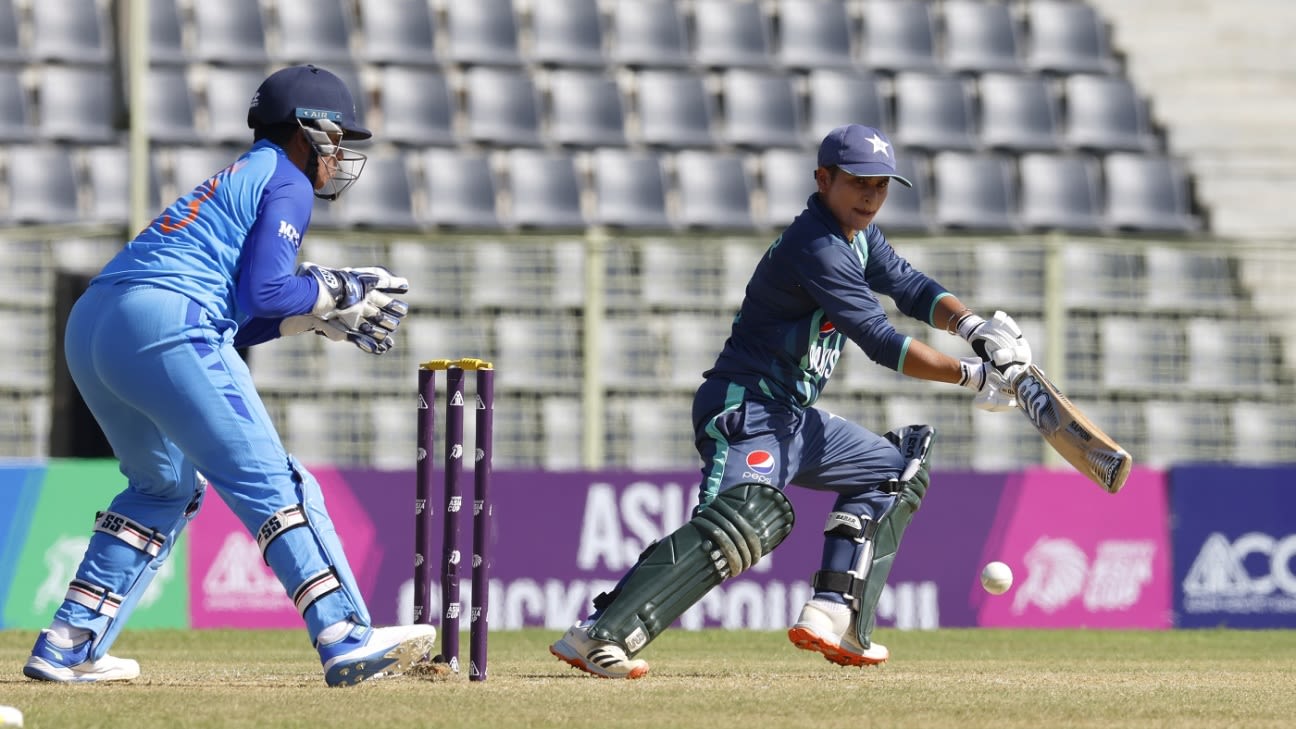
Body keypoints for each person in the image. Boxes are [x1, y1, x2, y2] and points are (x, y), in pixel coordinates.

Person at [550, 124, 1033, 678]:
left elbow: (911, 286)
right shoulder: (818, 246)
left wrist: (973, 327)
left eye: (880, 185)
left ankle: (834, 613)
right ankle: (598, 634)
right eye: (858, 183)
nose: (871, 196)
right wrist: (973, 375)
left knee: (892, 471)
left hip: (793, 419)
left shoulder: (859, 237)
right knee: (744, 519)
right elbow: (880, 341)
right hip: (747, 409)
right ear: (823, 180)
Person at [21, 64, 433, 687]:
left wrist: (308, 317)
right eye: (338, 138)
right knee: (279, 483)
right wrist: (334, 288)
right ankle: (343, 634)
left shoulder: (242, 175)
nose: (340, 155)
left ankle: (70, 641)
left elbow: (242, 312)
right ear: (307, 131)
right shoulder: (287, 178)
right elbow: (266, 291)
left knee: (162, 488)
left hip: (95, 323)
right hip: (168, 321)